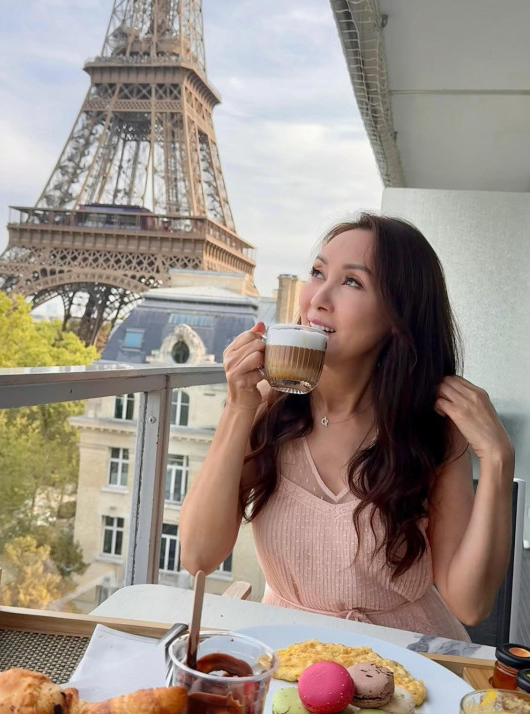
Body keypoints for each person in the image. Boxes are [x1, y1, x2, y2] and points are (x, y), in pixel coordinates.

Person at [178, 213, 514, 639]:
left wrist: (498, 460)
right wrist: (237, 408)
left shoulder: (431, 429)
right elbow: (199, 558)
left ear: (398, 316)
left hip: (405, 660)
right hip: (289, 655)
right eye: (318, 273)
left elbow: (470, 603)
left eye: (352, 282)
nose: (318, 298)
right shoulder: (265, 410)